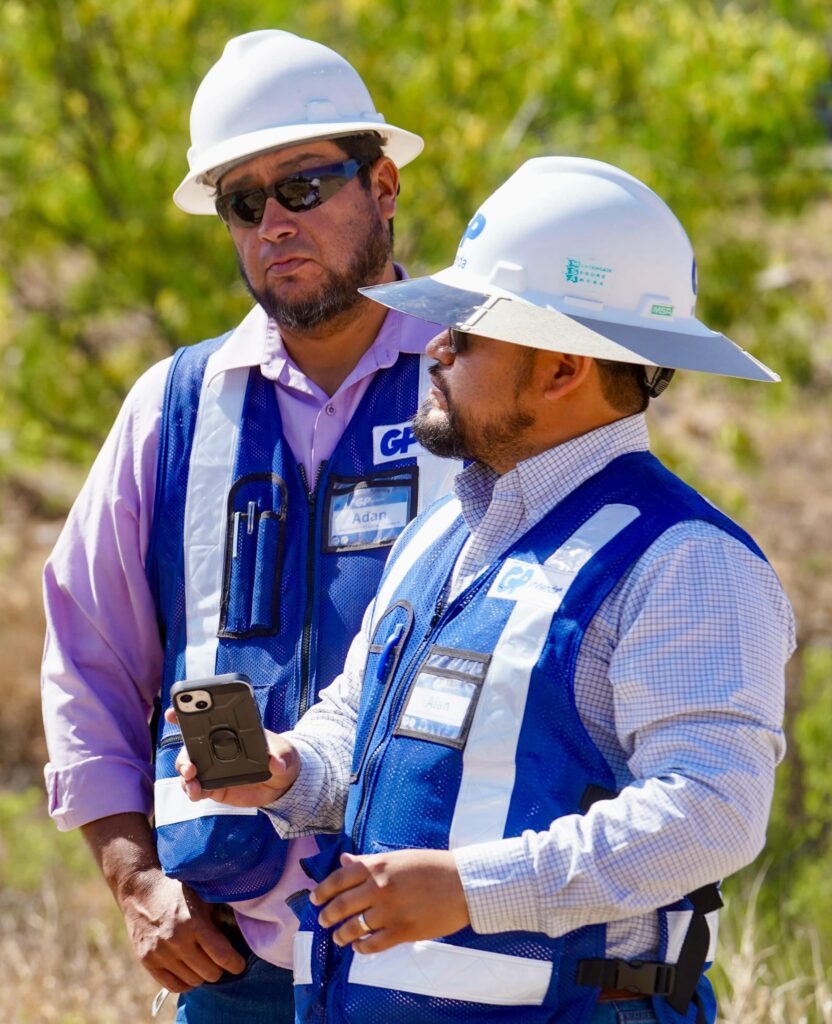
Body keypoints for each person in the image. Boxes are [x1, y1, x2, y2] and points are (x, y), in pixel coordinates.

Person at [176, 156, 794, 1024]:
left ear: (560, 371)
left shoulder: (688, 562)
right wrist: (285, 772)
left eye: (466, 331)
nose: (434, 347)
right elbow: (358, 724)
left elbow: (711, 815)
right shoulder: (442, 534)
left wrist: (473, 890)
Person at [39, 30, 462, 1021]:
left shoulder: (480, 376)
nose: (275, 220)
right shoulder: (172, 406)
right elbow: (85, 656)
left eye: (306, 185)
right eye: (243, 200)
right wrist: (135, 878)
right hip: (238, 974)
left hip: (449, 966)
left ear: (384, 186)